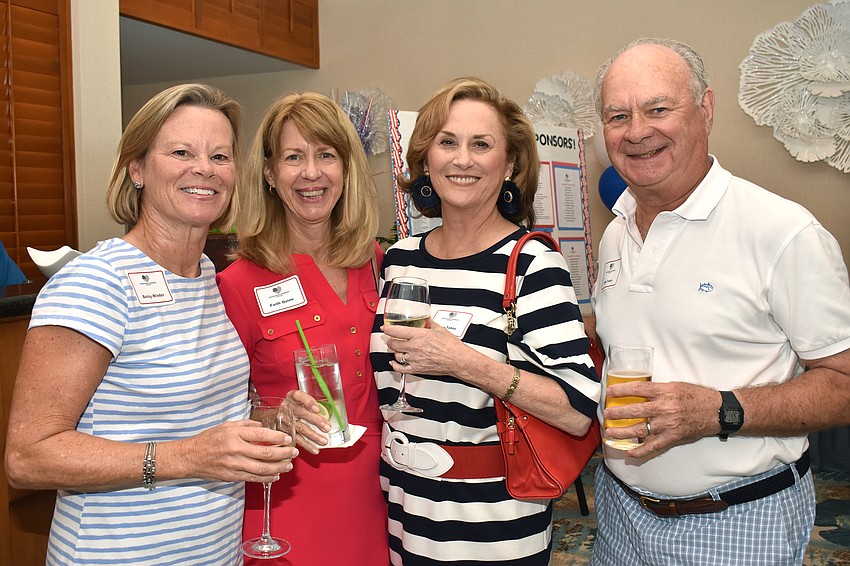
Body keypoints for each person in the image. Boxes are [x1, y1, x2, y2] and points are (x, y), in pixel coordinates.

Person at [4, 83, 297, 565]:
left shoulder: (207, 275)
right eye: (181, 152)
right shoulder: (95, 283)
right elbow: (28, 457)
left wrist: (270, 421)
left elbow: (198, 421)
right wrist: (189, 458)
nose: (204, 168)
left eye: (220, 156)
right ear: (136, 168)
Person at [590, 38, 850, 565]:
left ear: (705, 109)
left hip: (739, 521)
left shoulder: (782, 230)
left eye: (659, 109)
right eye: (618, 116)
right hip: (620, 514)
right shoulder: (616, 233)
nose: (637, 131)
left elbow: (843, 383)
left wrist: (719, 410)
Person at [369, 77, 601, 564]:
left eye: (482, 145)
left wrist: (464, 362)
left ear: (510, 164)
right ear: (426, 159)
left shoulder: (532, 262)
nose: (463, 159)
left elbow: (579, 410)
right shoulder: (399, 259)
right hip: (404, 511)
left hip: (494, 524)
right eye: (447, 142)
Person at [216, 91, 389, 565]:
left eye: (326, 155)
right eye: (294, 157)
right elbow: (216, 417)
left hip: (381, 497)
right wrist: (276, 417)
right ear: (270, 174)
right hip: (286, 504)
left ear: (346, 169)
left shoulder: (377, 263)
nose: (311, 173)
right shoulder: (237, 283)